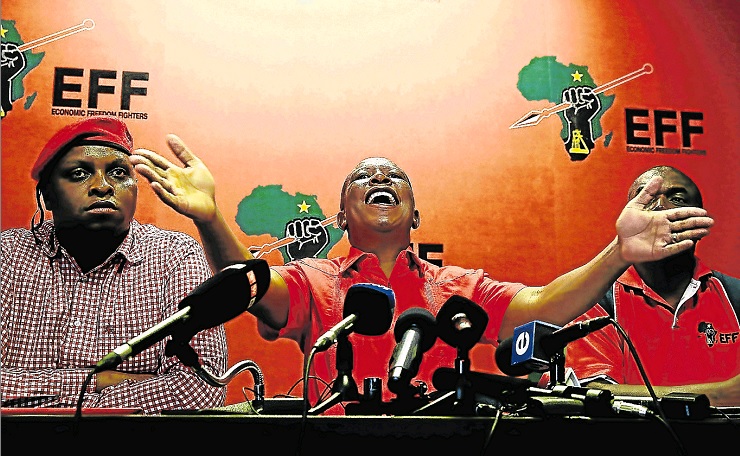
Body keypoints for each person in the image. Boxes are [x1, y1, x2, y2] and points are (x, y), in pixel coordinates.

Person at [130, 135, 713, 413]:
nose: (379, 175)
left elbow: (545, 307)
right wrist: (209, 218)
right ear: (340, 216)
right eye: (363, 176)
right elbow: (248, 286)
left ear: (416, 213)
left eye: (394, 175)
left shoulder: (456, 288)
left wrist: (617, 253)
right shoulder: (311, 279)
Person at [0, 117, 228, 415]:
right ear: (47, 195)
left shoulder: (175, 256)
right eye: (79, 173)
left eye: (119, 172)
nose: (103, 186)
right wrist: (98, 380)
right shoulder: (7, 255)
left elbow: (199, 390)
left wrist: (37, 396)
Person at [537, 166, 739, 406]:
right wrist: (719, 395)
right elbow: (594, 393)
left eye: (676, 199)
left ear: (700, 220)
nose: (660, 206)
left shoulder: (734, 296)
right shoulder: (597, 300)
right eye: (646, 199)